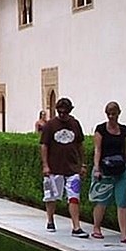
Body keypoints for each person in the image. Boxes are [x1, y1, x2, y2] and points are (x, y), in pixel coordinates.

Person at [89, 101, 126, 244]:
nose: (111, 117)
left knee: (122, 201)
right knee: (101, 200)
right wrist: (97, 168)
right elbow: (97, 150)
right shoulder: (100, 129)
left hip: (121, 169)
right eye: (109, 114)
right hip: (104, 169)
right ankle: (96, 227)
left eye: (114, 114)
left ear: (118, 113)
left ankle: (123, 234)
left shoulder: (124, 130)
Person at [40, 96, 88, 237]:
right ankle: (50, 220)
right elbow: (44, 146)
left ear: (70, 111)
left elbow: (80, 145)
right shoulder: (50, 125)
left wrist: (83, 163)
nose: (62, 115)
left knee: (74, 196)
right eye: (60, 112)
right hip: (54, 168)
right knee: (51, 196)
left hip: (72, 168)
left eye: (65, 112)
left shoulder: (75, 124)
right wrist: (45, 165)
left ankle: (76, 226)